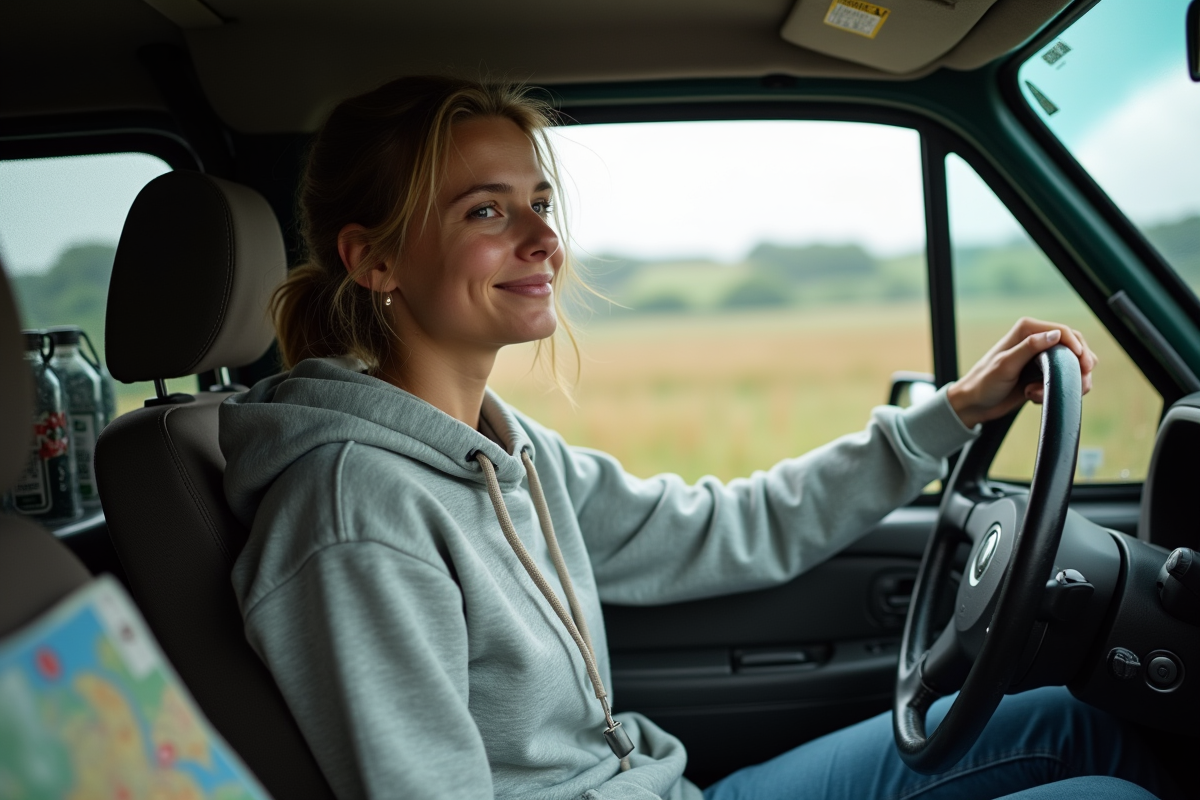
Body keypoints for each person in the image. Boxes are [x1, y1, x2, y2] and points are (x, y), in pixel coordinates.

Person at [219, 76, 1172, 800]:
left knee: (1076, 718)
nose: (543, 239)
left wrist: (953, 412)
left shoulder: (505, 449)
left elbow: (726, 528)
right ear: (372, 257)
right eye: (485, 210)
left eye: (539, 202)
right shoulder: (353, 508)